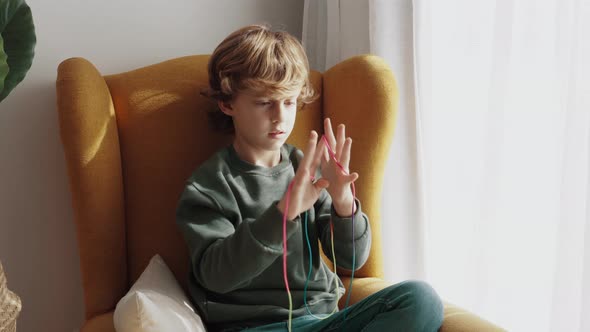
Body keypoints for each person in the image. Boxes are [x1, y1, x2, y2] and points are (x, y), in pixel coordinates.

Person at [176, 24, 444, 332]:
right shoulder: (209, 186)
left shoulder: (303, 165)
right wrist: (283, 213)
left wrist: (344, 203)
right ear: (227, 103)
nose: (280, 116)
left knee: (421, 299)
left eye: (289, 102)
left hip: (322, 321)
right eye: (264, 102)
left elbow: (350, 260)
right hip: (254, 328)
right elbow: (216, 275)